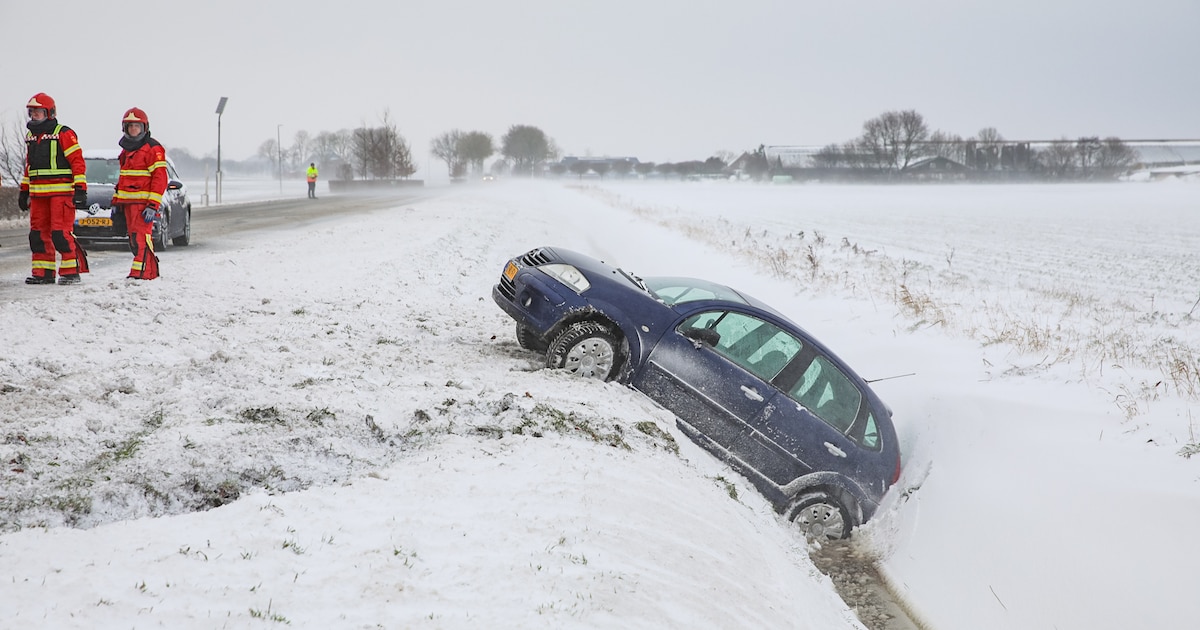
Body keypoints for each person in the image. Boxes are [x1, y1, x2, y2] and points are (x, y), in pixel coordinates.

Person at [19, 93, 90, 285]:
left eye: (39, 112)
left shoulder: (64, 133)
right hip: (38, 195)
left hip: (61, 193)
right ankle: (43, 272)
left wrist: (80, 188)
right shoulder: (31, 136)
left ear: (49, 113)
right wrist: (24, 189)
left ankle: (70, 272)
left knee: (60, 233)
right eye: (32, 112)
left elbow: (77, 162)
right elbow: (29, 166)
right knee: (37, 234)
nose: (35, 116)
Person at [111, 107, 167, 280]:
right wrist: (116, 203)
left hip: (143, 205)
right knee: (134, 240)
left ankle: (141, 273)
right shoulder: (126, 151)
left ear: (144, 128)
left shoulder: (152, 149)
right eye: (130, 126)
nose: (133, 130)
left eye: (137, 126)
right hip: (127, 204)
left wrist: (152, 205)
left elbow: (160, 179)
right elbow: (123, 179)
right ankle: (147, 272)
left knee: (141, 238)